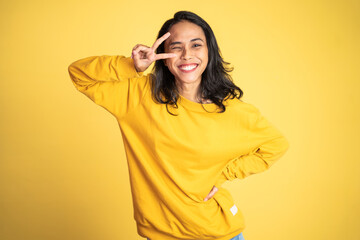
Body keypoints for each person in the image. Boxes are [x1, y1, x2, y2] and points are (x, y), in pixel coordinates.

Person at [68, 11, 289, 240]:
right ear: (163, 53)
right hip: (162, 234)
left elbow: (276, 144)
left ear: (209, 51)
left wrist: (222, 175)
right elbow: (79, 74)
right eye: (176, 47)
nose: (186, 55)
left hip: (221, 233)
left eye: (196, 45)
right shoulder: (140, 96)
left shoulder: (232, 109)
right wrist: (131, 66)